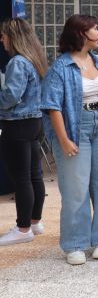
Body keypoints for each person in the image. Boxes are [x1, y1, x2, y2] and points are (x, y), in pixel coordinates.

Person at [42, 15, 98, 265]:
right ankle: (75, 244)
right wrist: (64, 139)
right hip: (74, 127)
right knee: (75, 188)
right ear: (81, 34)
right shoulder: (60, 67)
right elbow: (52, 106)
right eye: (94, 28)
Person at [0, 18, 48, 246]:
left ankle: (23, 228)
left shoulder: (17, 63)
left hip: (16, 124)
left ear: (13, 37)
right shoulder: (34, 59)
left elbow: (10, 97)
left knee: (21, 178)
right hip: (34, 122)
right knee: (33, 174)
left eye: (4, 35)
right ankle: (34, 222)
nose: (1, 39)